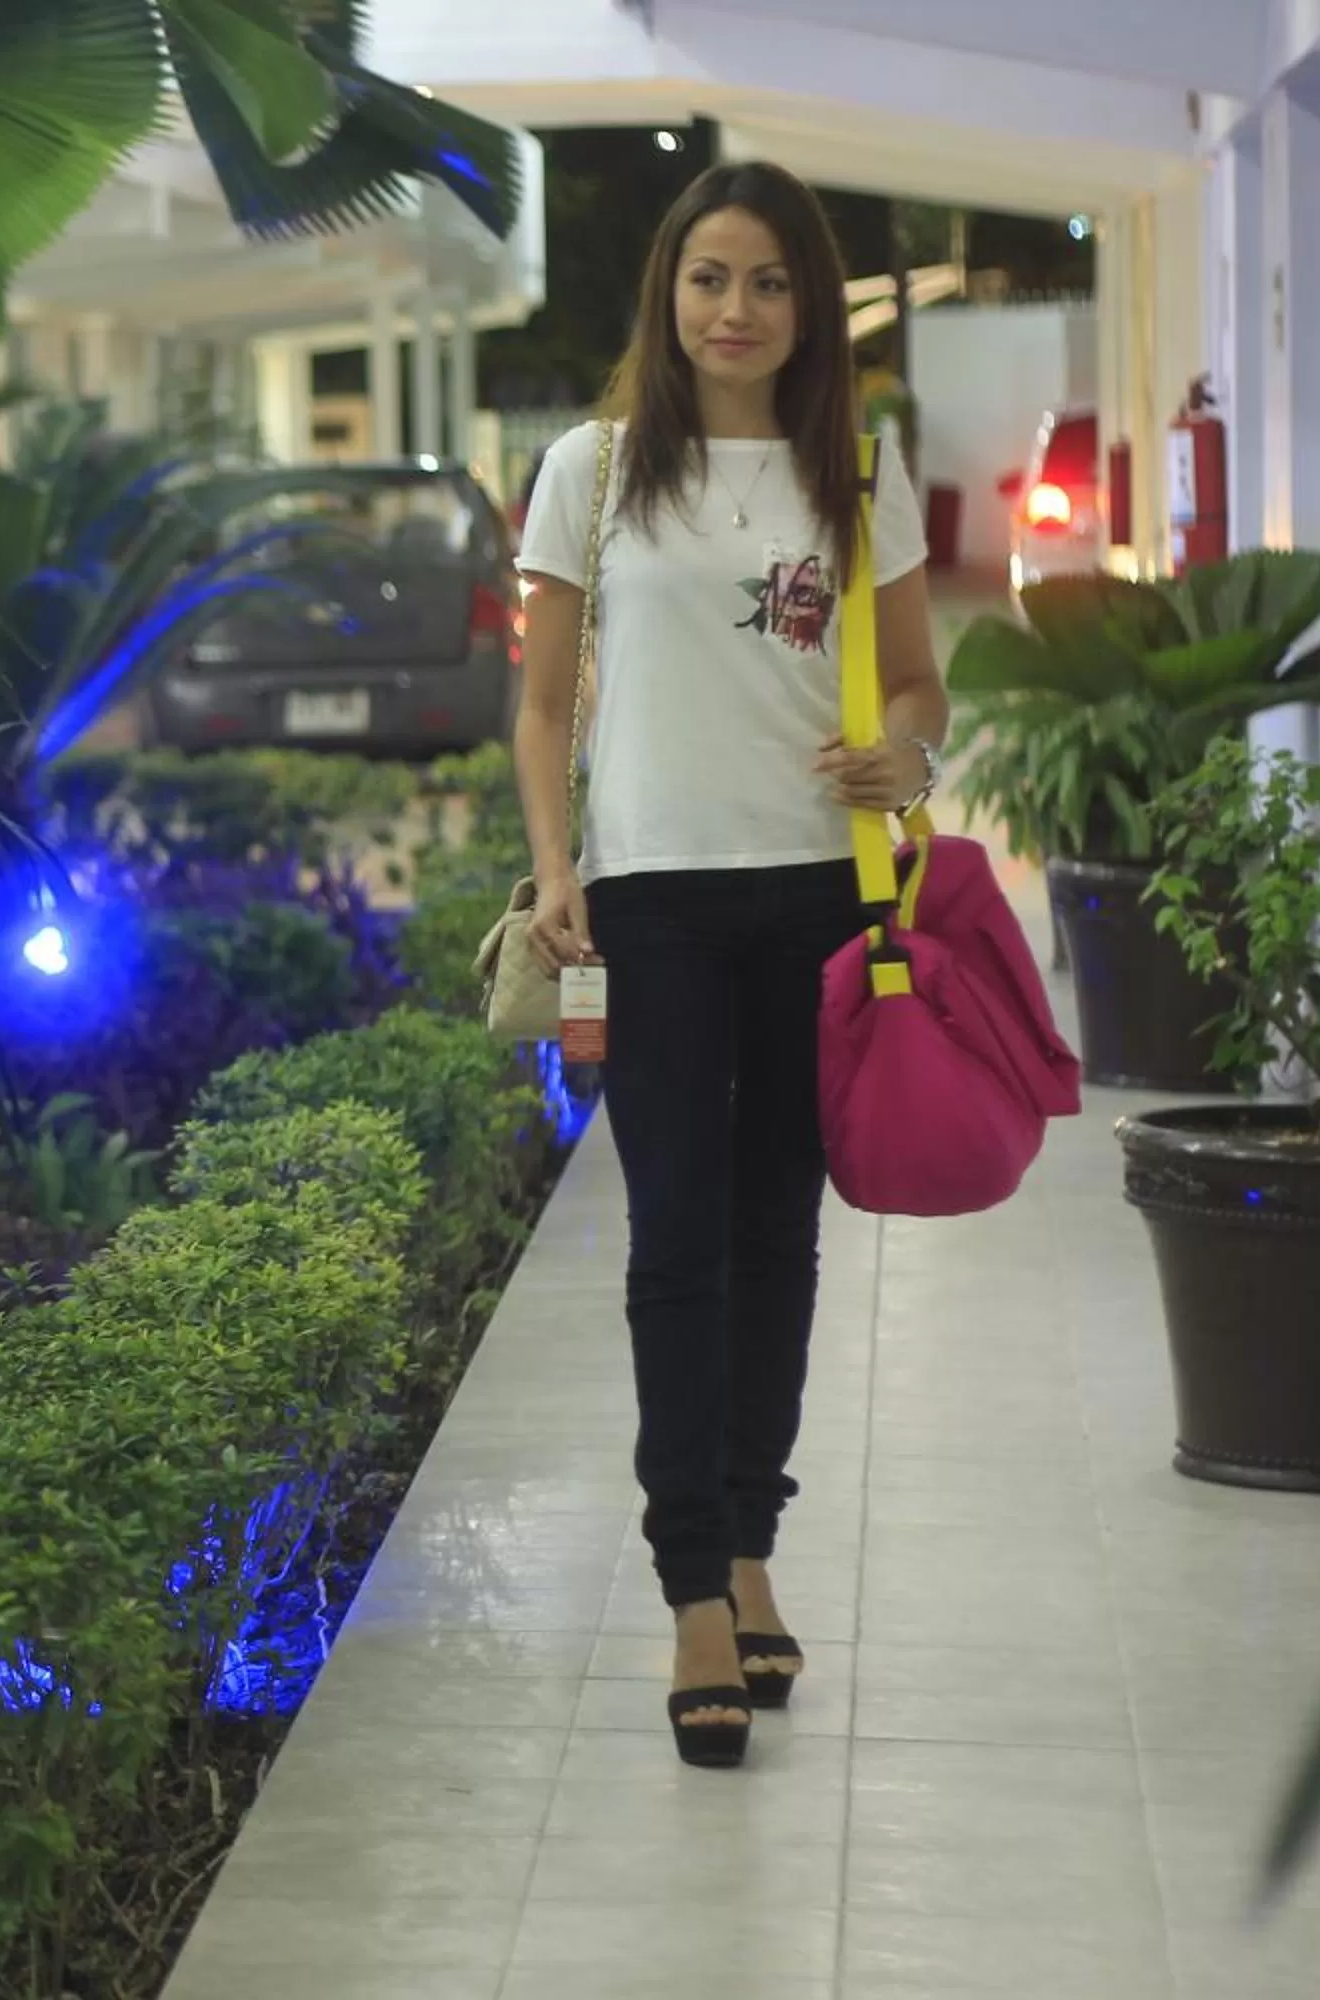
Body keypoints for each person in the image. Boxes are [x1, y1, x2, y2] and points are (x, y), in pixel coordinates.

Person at [511, 161, 947, 1769]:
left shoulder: (858, 469)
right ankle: (694, 1585)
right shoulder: (596, 468)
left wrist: (904, 762)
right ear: (668, 294)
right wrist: (559, 871)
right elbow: (547, 704)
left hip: (819, 902)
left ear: (808, 307)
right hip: (658, 903)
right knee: (676, 1242)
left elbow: (917, 688)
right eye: (709, 278)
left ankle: (754, 1544)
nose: (737, 310)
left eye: (768, 282)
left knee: (782, 1239)